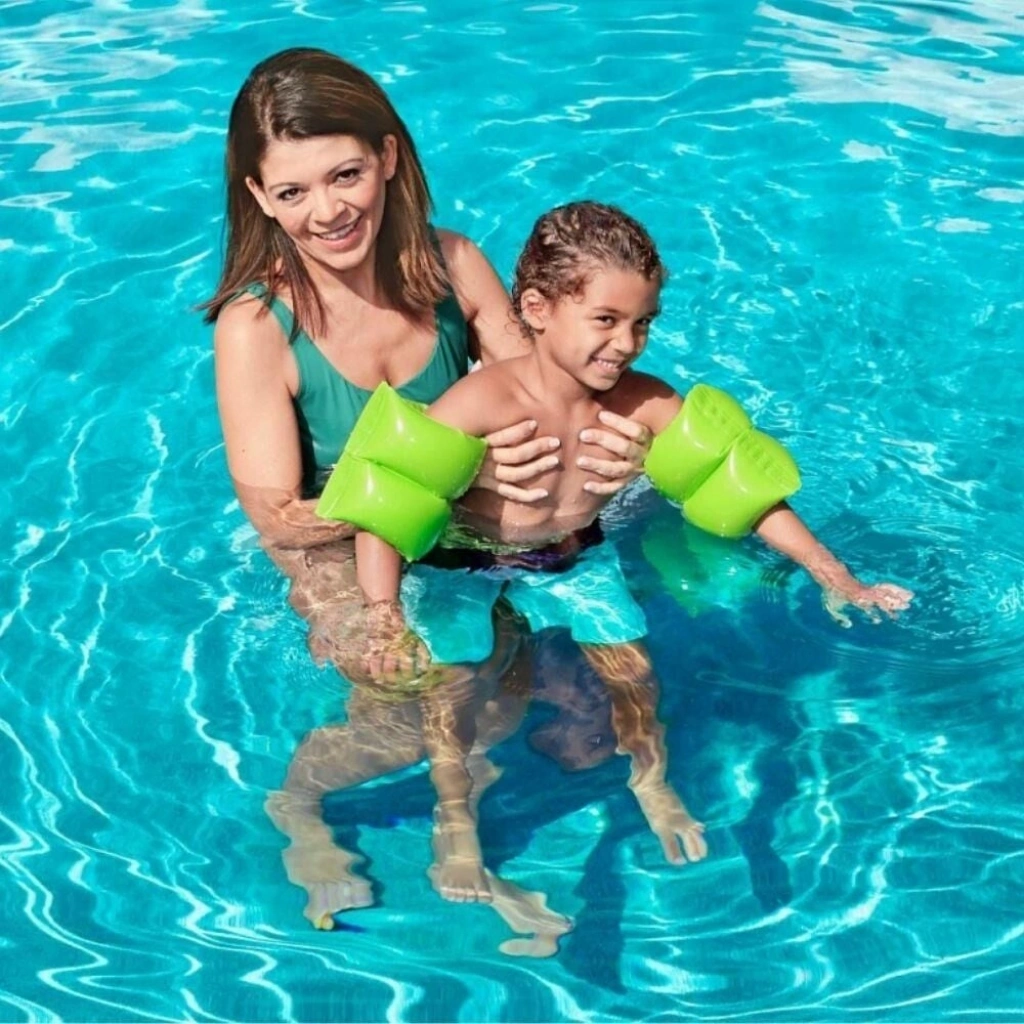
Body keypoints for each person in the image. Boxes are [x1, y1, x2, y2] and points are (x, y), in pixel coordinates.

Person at [202, 49, 656, 928]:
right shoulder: (257, 325)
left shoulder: (451, 265)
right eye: (292, 191)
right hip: (342, 544)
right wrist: (448, 479)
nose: (327, 211)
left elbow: (554, 389)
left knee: (545, 703)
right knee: (409, 708)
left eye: (345, 175)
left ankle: (471, 826)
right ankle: (299, 805)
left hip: (475, 531)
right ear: (260, 197)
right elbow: (280, 519)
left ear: (388, 158)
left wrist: (619, 451)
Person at [350, 200, 916, 901]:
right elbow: (387, 507)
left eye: (643, 322)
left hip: (572, 557)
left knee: (634, 675)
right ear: (536, 309)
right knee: (454, 689)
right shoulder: (481, 402)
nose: (627, 343)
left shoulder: (645, 404)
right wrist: (382, 616)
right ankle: (455, 813)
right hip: (464, 565)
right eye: (606, 320)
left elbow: (742, 489)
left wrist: (837, 576)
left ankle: (652, 780)